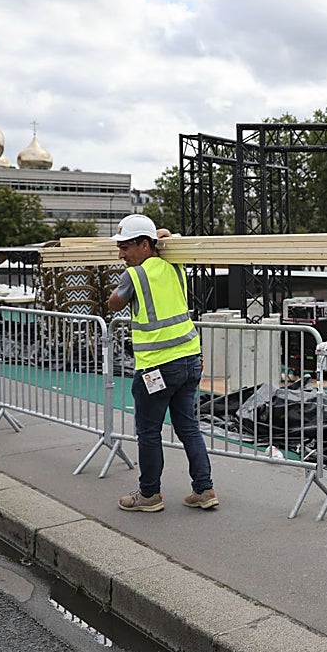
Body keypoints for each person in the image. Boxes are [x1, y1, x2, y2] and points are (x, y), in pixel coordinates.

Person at [107, 214, 217, 513]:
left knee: (149, 431)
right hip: (190, 360)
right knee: (189, 427)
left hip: (157, 366)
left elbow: (114, 303)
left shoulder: (135, 276)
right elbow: (174, 237)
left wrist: (117, 293)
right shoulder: (175, 265)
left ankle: (149, 495)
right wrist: (160, 234)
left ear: (144, 245)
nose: (121, 254)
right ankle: (204, 490)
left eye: (125, 247)